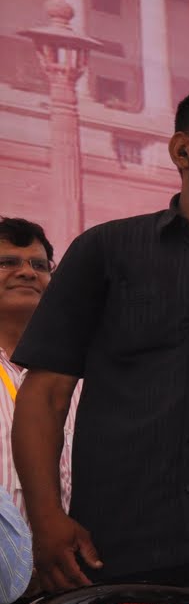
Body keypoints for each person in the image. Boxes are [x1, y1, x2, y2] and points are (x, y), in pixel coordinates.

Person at [12, 84, 189, 596]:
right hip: (116, 548)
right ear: (182, 149)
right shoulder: (107, 249)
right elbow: (46, 395)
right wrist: (47, 520)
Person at [0, 218, 72, 522]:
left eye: (40, 266)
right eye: (8, 262)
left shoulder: (78, 375)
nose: (28, 272)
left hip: (64, 561)